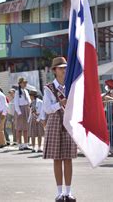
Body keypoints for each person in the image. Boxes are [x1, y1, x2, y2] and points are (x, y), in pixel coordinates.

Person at [43, 57, 77, 202]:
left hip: (69, 122)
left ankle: (68, 192)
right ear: (54, 70)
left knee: (68, 158)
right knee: (57, 159)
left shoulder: (72, 86)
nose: (64, 70)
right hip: (55, 122)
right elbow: (47, 109)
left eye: (65, 67)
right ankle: (59, 192)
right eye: (61, 67)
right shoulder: (49, 88)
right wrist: (60, 103)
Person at [14, 77, 31, 151]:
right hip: (20, 110)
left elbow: (29, 101)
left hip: (26, 109)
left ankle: (26, 144)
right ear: (20, 84)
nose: (25, 84)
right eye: (23, 83)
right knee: (20, 128)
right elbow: (16, 103)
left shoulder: (26, 91)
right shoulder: (17, 92)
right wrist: (19, 112)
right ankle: (20, 144)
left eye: (25, 83)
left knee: (26, 128)